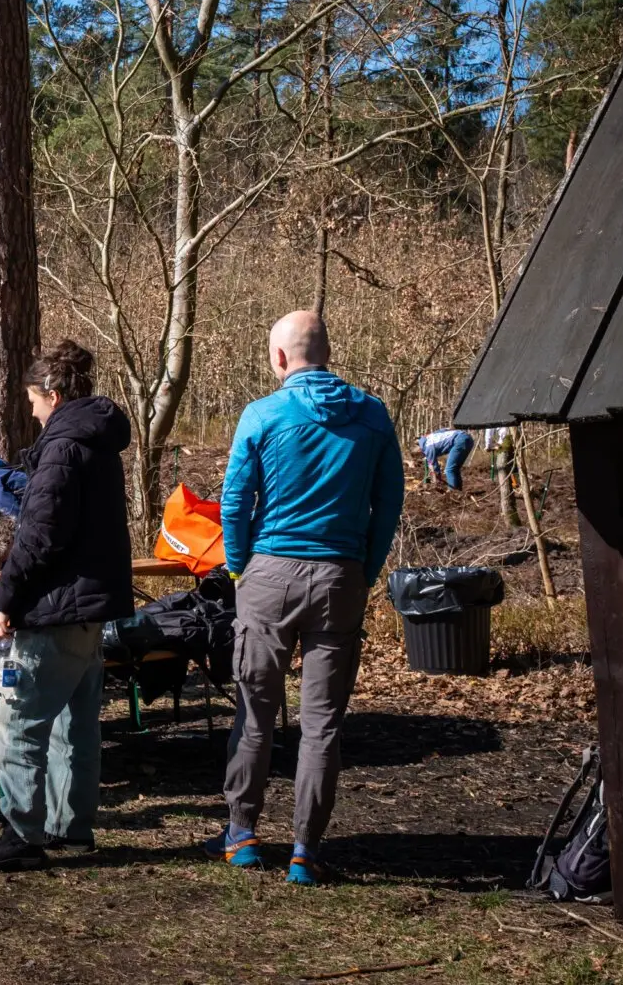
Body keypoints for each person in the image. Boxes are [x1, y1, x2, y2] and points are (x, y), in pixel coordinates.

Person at [210, 311, 403, 886]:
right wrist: (363, 570)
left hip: (270, 572)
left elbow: (235, 502)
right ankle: (305, 849)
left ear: (279, 359)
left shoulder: (263, 414)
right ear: (327, 351)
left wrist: (242, 567)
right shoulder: (372, 415)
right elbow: (386, 503)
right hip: (340, 573)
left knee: (255, 713)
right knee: (322, 724)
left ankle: (242, 833)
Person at [0, 341, 133, 873]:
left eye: (34, 401)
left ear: (53, 396)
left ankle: (20, 831)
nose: (31, 411)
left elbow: (39, 537)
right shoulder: (98, 444)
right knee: (75, 725)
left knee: (18, 722)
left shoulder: (61, 448)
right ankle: (71, 826)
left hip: (56, 607)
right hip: (89, 608)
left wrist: (5, 599)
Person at [417, 426, 475, 491]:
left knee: (449, 470)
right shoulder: (432, 436)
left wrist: (437, 479)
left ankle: (452, 492)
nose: (424, 456)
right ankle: (459, 491)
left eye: (421, 455)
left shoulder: (427, 447)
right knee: (455, 469)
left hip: (459, 440)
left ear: (419, 450)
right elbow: (447, 429)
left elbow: (433, 466)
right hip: (468, 438)